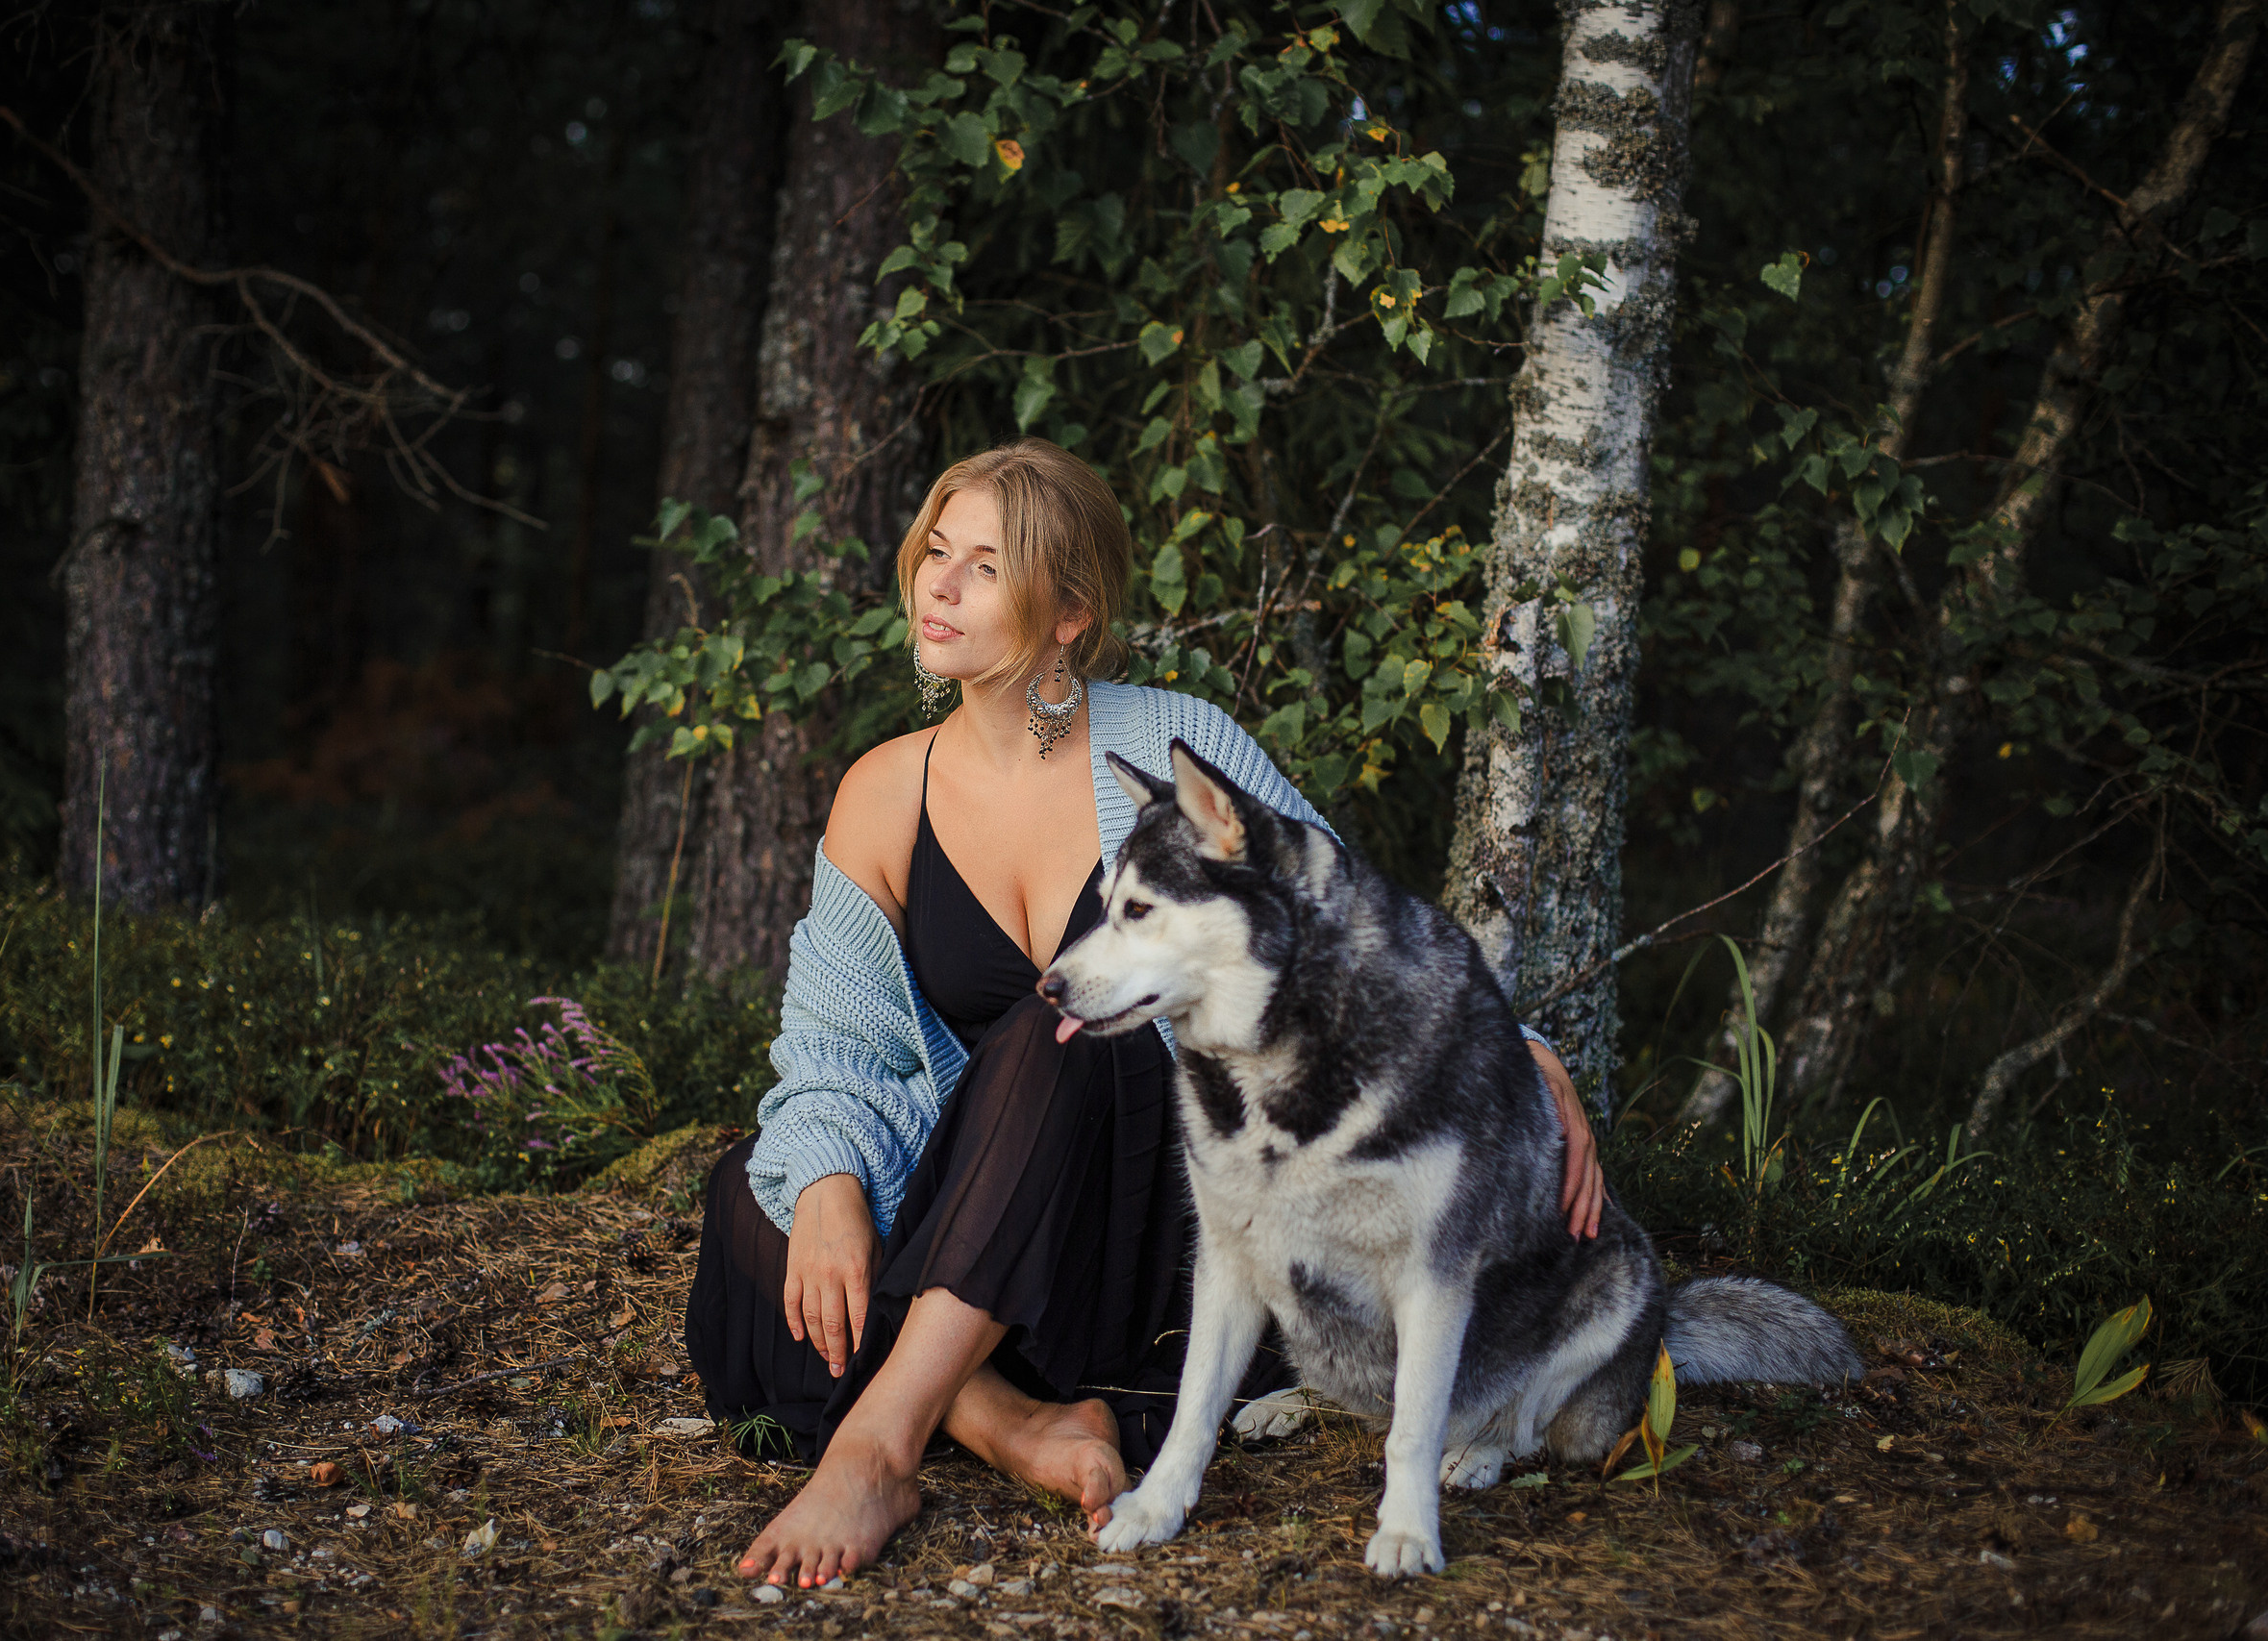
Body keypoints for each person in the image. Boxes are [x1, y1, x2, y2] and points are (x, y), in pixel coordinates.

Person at [683, 438, 1606, 1592]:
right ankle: (1010, 1422)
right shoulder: (883, 792)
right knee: (759, 1191)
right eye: (935, 551)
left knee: (1061, 1027)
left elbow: (1349, 930)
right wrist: (826, 1185)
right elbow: (836, 1046)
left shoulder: (1175, 748)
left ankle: (876, 1448)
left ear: (1069, 613)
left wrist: (1517, 1053)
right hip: (981, 1229)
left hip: (1149, 1223)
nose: (939, 584)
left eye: (985, 565)